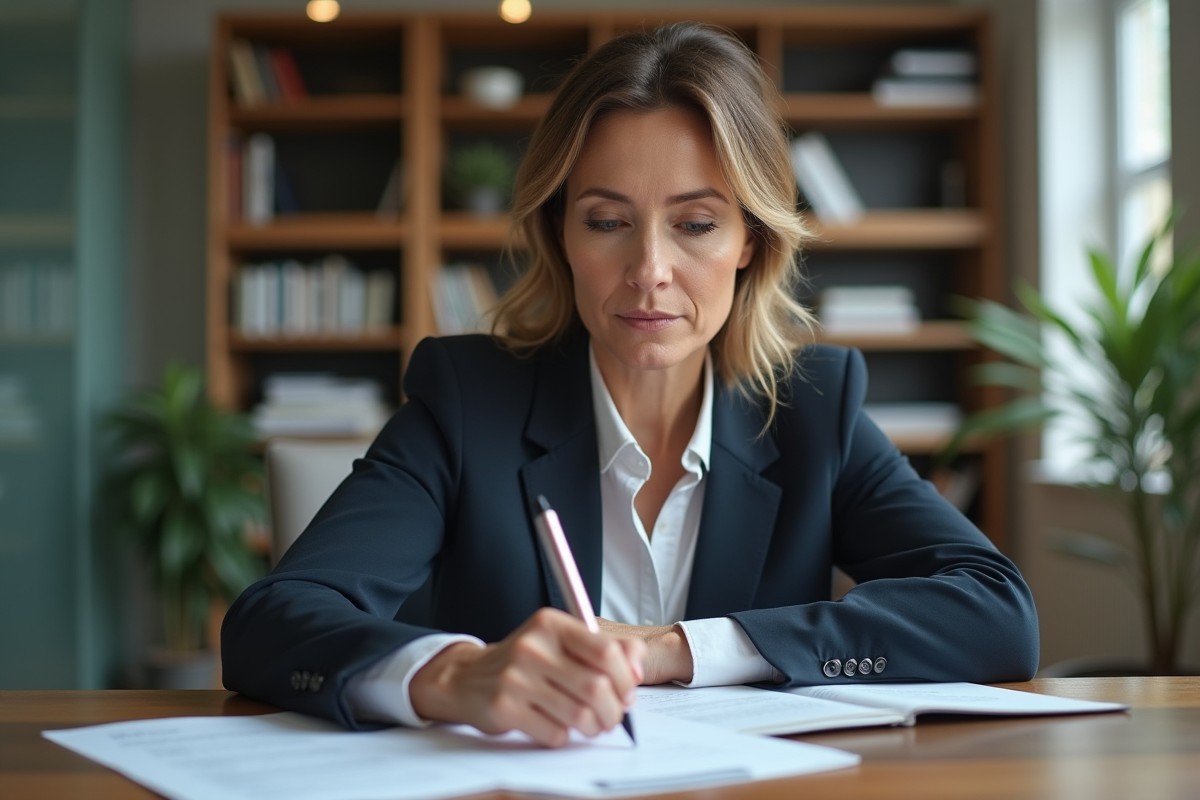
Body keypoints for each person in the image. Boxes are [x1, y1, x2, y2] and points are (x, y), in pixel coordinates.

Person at [222, 22, 1039, 748]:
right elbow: (269, 624)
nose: (649, 270)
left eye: (696, 224)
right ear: (561, 235)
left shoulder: (813, 410)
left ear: (750, 240)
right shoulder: (468, 402)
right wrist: (453, 675)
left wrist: (676, 648)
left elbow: (997, 614)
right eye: (607, 221)